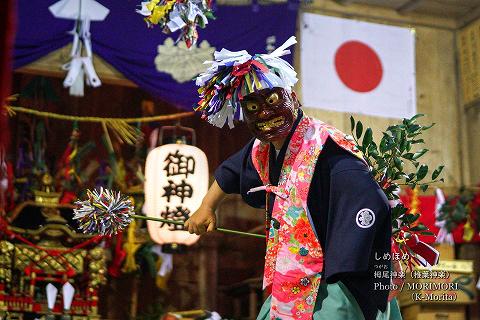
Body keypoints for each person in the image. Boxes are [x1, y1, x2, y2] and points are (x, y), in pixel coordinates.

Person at [185, 36, 402, 320]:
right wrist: (207, 206)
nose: (264, 113)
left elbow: (371, 203)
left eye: (273, 100)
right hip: (293, 279)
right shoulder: (264, 150)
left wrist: (369, 271)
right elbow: (232, 171)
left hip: (341, 278)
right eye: (252, 107)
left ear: (293, 99)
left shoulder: (327, 150)